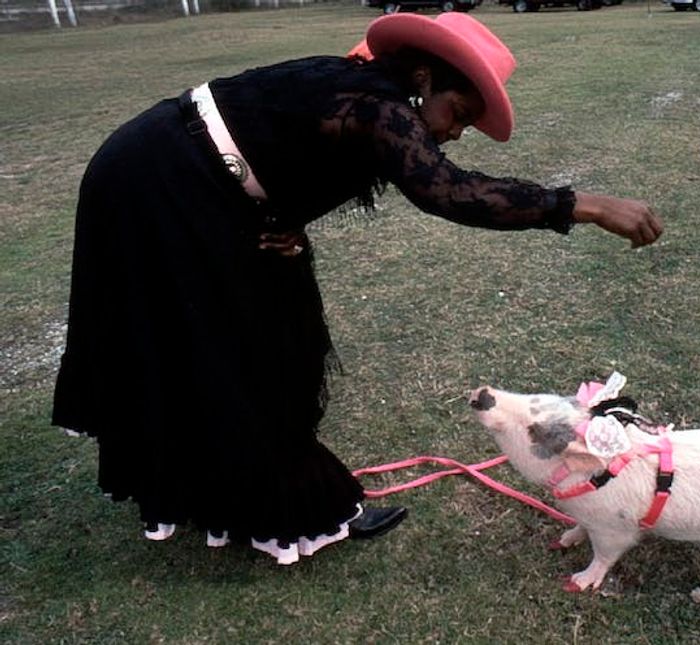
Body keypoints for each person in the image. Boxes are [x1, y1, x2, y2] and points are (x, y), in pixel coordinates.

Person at [51, 12, 664, 565]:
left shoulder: (373, 96)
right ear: (424, 77)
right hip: (156, 184)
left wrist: (279, 219)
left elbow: (284, 150)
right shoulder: (377, 103)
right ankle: (277, 514)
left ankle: (231, 493)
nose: (456, 133)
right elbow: (446, 191)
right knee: (240, 353)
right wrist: (582, 204)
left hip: (197, 188)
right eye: (459, 112)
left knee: (262, 341)